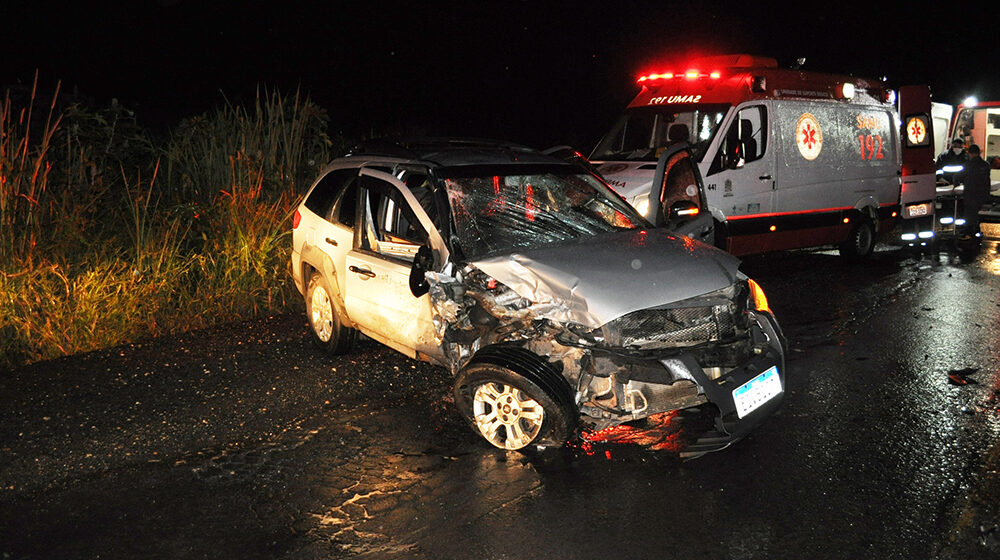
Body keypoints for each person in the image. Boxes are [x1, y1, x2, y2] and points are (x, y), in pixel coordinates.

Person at [957, 143, 991, 237]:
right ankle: (977, 230)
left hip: (970, 194)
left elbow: (961, 176)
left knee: (969, 214)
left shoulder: (968, 164)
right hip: (982, 194)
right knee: (978, 213)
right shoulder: (985, 165)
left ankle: (969, 232)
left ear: (971, 153)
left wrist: (955, 183)